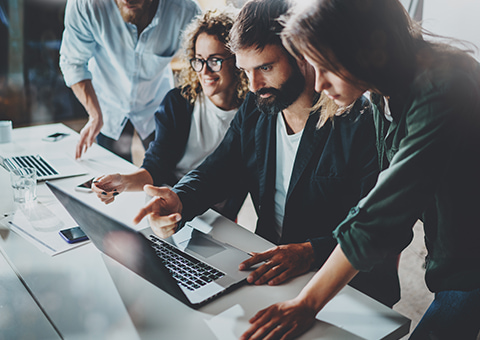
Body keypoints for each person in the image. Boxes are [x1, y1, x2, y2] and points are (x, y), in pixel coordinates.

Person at [133, 0, 401, 308]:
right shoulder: (257, 105)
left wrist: (310, 251)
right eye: (246, 71)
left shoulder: (359, 117)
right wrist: (178, 199)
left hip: (342, 283)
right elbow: (220, 166)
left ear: (302, 55)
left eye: (266, 67)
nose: (255, 85)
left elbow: (380, 227)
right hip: (269, 264)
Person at [240, 0, 480, 339]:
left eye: (326, 67)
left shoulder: (444, 89)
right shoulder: (383, 89)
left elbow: (382, 214)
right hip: (450, 246)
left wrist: (307, 302)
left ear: (363, 49)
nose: (319, 84)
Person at [91, 8, 249, 220]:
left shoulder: (252, 115)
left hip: (217, 216)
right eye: (199, 60)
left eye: (215, 60)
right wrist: (123, 181)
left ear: (237, 61)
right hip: (169, 202)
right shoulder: (178, 103)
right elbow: (156, 166)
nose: (204, 71)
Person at [59, 0, 201, 162]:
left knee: (165, 174)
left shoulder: (186, 12)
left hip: (156, 105)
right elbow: (73, 62)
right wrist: (95, 114)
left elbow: (202, 63)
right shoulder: (86, 5)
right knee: (112, 177)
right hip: (108, 108)